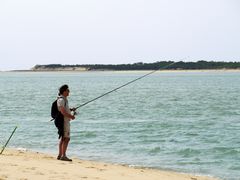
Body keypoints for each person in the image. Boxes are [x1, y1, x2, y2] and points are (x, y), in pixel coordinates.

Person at [57, 84, 75, 161]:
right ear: (64, 91)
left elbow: (64, 110)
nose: (69, 92)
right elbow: (63, 112)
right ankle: (63, 155)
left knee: (63, 138)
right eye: (68, 90)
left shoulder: (64, 100)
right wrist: (71, 116)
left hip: (65, 121)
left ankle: (60, 155)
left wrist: (70, 109)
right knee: (66, 138)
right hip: (64, 122)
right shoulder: (61, 100)